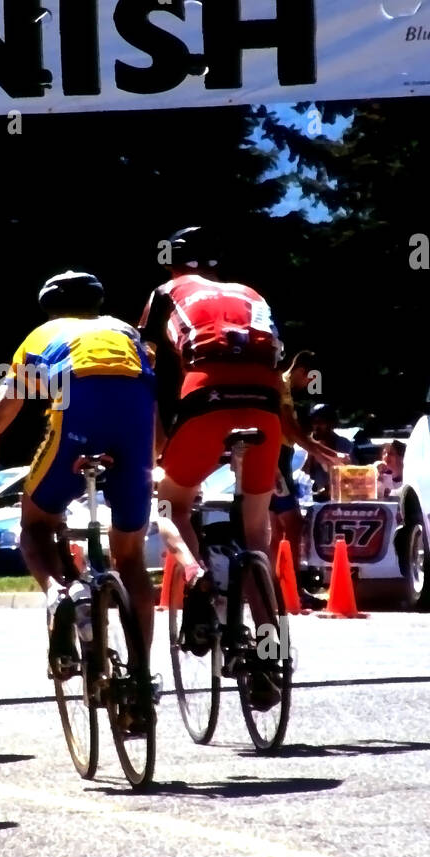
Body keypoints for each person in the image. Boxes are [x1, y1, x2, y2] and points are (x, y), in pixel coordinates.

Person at [0, 271, 157, 730]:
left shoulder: (41, 337)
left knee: (34, 523)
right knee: (130, 555)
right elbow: (154, 408)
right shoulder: (127, 333)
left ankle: (57, 594)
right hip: (137, 419)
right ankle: (139, 680)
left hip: (78, 410)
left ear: (49, 308)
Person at [138, 226, 284, 708]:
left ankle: (196, 573)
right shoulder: (250, 293)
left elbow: (151, 374)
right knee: (257, 533)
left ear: (173, 263)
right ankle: (268, 657)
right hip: (264, 403)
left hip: (205, 397)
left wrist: (158, 444)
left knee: (171, 507)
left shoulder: (166, 293)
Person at [272, 352, 347, 606]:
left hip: (279, 456)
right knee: (292, 524)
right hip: (275, 460)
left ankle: (276, 586)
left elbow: (297, 434)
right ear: (301, 371)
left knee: (277, 529)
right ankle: (291, 587)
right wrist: (325, 454)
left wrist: (328, 453)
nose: (309, 386)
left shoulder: (286, 389)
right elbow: (290, 430)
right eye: (309, 379)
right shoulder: (281, 385)